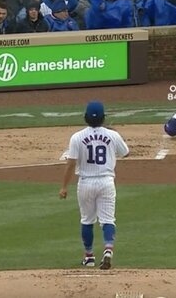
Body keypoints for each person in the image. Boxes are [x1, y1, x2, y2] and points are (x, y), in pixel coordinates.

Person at [59, 101, 129, 270]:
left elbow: (70, 163)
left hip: (85, 183)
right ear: (104, 118)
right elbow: (125, 153)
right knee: (107, 220)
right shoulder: (112, 135)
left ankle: (89, 257)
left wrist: (64, 187)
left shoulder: (77, 137)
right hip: (106, 182)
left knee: (87, 220)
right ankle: (108, 249)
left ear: (85, 118)